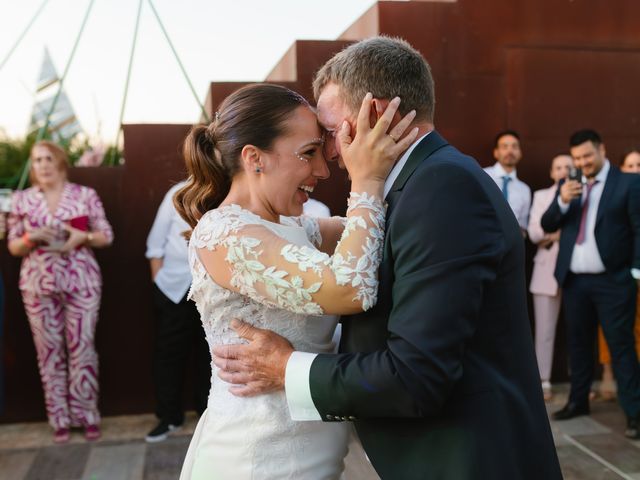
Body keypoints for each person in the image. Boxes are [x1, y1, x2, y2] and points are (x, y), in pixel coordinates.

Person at [213, 37, 561, 479]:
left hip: (467, 461)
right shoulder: (411, 187)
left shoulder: (442, 189)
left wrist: (287, 367)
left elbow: (417, 374)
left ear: (375, 115)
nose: (329, 155)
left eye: (332, 132)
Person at [175, 82, 417, 479]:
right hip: (259, 457)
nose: (323, 169)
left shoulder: (296, 227)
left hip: (318, 448)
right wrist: (367, 180)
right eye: (308, 153)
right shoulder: (225, 235)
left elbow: (374, 234)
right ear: (255, 158)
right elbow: (350, 287)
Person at [7, 141, 113, 443]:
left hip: (82, 281)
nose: (42, 165)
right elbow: (13, 246)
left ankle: (87, 415)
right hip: (38, 285)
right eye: (37, 159)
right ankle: (59, 417)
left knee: (82, 348)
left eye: (48, 158)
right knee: (49, 352)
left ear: (61, 162)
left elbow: (106, 236)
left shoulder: (84, 196)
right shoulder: (23, 200)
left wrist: (83, 236)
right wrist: (31, 237)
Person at [541, 129, 640, 439]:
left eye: (587, 155)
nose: (582, 162)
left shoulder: (628, 183)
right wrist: (563, 200)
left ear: (601, 150)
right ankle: (578, 402)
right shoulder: (568, 184)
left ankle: (635, 414)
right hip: (575, 282)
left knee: (621, 346)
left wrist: (635, 272)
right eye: (578, 157)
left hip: (614, 281)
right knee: (578, 345)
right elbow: (547, 224)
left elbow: (639, 229)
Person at [144, 181, 211, 443]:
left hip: (212, 287)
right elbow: (155, 244)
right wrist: (158, 283)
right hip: (173, 289)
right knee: (168, 354)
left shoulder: (228, 190)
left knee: (211, 355)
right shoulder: (175, 193)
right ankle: (169, 416)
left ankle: (208, 416)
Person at [596, 147, 640, 401]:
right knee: (616, 331)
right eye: (631, 165)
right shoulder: (615, 195)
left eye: (639, 165)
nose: (635, 170)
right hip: (620, 276)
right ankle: (610, 377)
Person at [528, 154, 573, 401]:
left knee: (578, 328)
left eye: (568, 166)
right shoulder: (541, 197)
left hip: (576, 269)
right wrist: (560, 235)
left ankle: (579, 379)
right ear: (552, 172)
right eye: (559, 167)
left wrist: (553, 234)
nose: (564, 171)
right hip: (545, 269)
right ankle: (543, 380)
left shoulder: (582, 194)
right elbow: (535, 233)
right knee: (544, 329)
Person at [484, 130, 532, 233]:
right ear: (496, 152)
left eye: (514, 147)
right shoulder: (483, 176)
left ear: (520, 153)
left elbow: (523, 227)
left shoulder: (524, 189)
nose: (510, 151)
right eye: (504, 147)